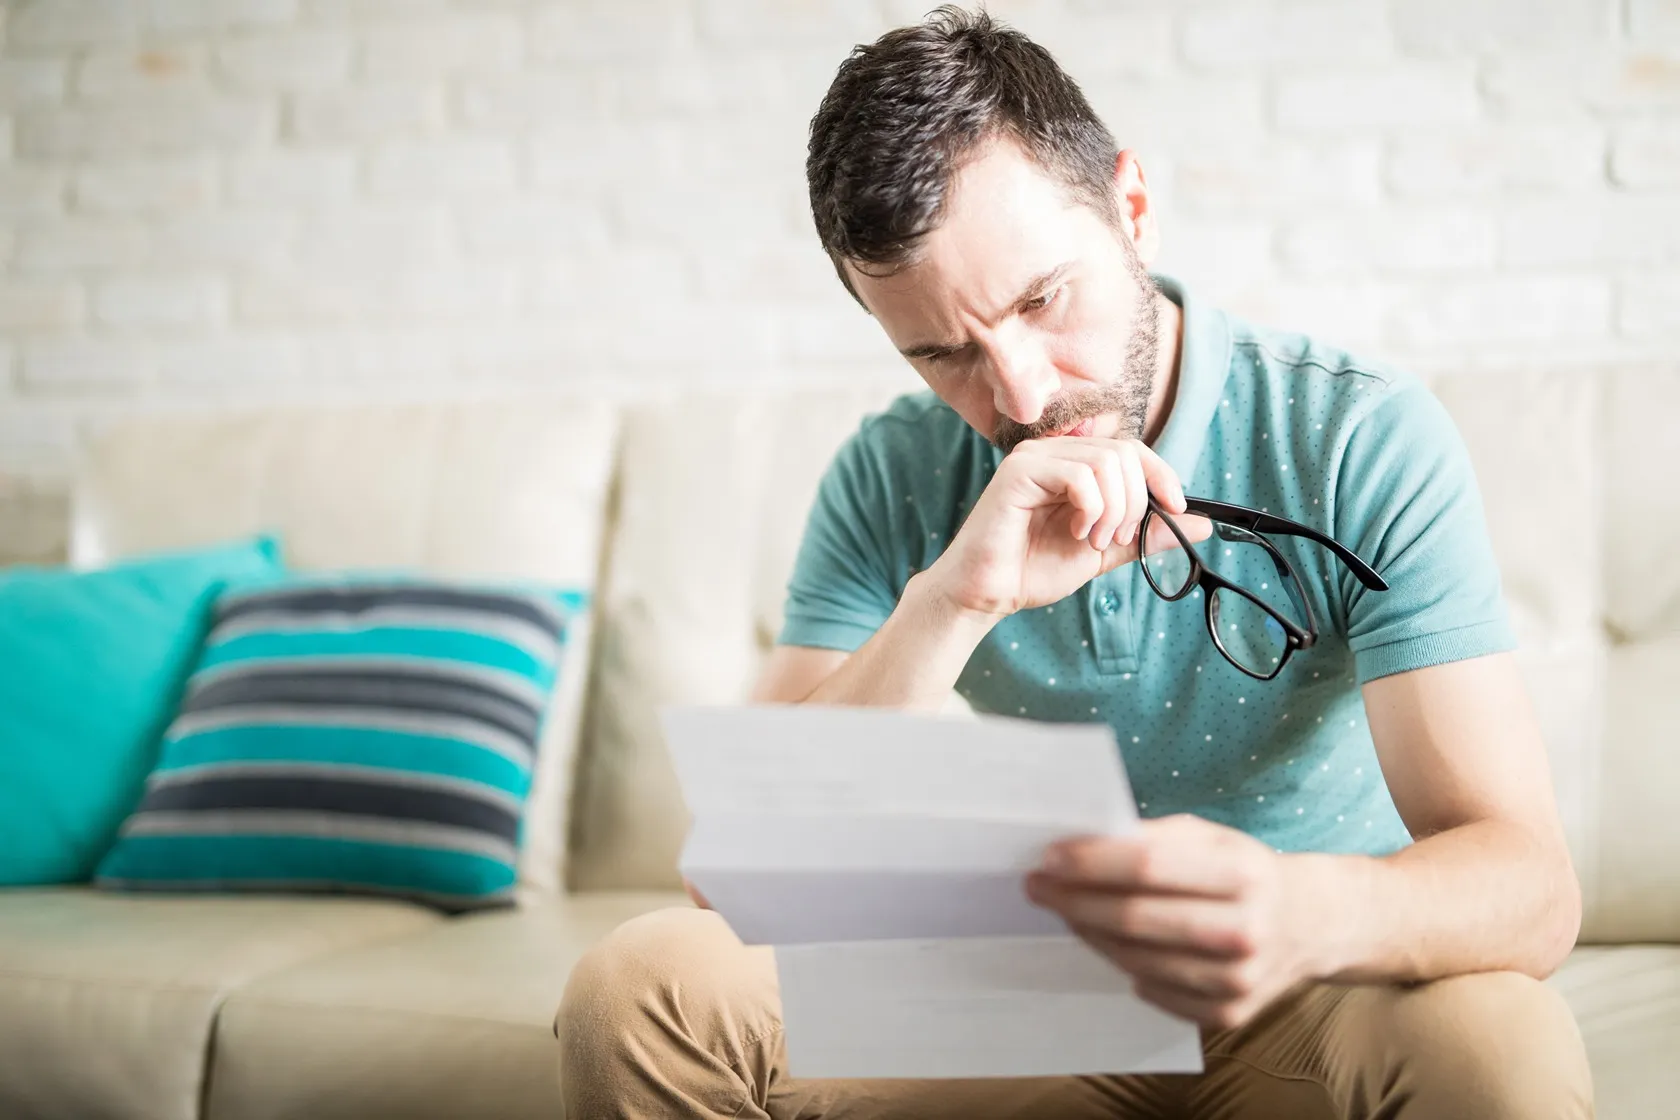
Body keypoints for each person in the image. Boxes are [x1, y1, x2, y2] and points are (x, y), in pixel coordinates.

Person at [556, 8, 1592, 1118]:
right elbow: (732, 875)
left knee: (1499, 1043)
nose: (1019, 397)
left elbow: (1530, 887)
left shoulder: (1354, 435)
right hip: (1024, 986)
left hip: (1314, 976)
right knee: (640, 986)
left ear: (1132, 210)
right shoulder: (892, 475)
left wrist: (1300, 912)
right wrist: (952, 603)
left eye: (1042, 300)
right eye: (942, 354)